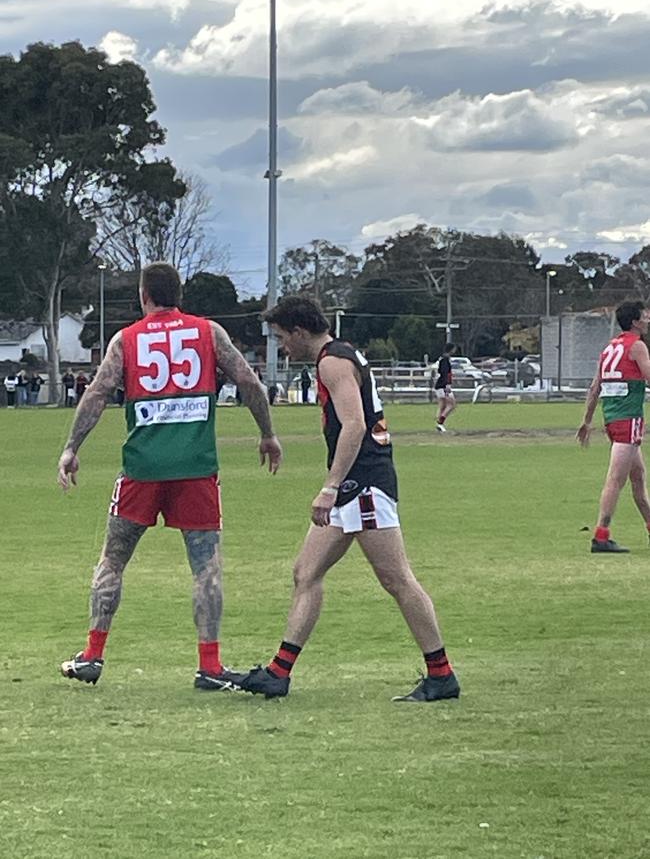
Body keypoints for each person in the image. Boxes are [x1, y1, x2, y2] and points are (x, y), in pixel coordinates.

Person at [57, 262, 283, 690]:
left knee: (113, 560)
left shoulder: (126, 339)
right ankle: (210, 666)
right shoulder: (209, 332)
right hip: (196, 468)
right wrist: (267, 434)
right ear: (179, 294)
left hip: (143, 468)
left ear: (144, 296)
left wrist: (72, 448)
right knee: (206, 568)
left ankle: (93, 654)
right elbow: (248, 381)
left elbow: (99, 392)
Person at [235, 296, 459, 703]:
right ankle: (278, 673)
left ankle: (441, 675)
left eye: (283, 338)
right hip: (355, 487)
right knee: (306, 571)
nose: (283, 347)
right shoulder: (342, 354)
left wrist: (330, 486)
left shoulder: (331, 362)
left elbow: (355, 425)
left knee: (397, 579)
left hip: (363, 484)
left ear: (300, 332)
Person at [577, 300, 650, 553]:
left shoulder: (610, 347)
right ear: (634, 322)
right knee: (615, 480)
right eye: (645, 315)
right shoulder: (637, 346)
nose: (648, 318)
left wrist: (587, 420)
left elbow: (595, 386)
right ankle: (601, 536)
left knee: (638, 477)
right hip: (628, 418)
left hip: (612, 418)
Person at [434, 343, 457, 433]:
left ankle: (439, 425)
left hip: (439, 385)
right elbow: (445, 373)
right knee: (452, 405)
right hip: (443, 385)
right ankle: (440, 422)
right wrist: (447, 385)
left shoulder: (442, 359)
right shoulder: (445, 360)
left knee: (442, 405)